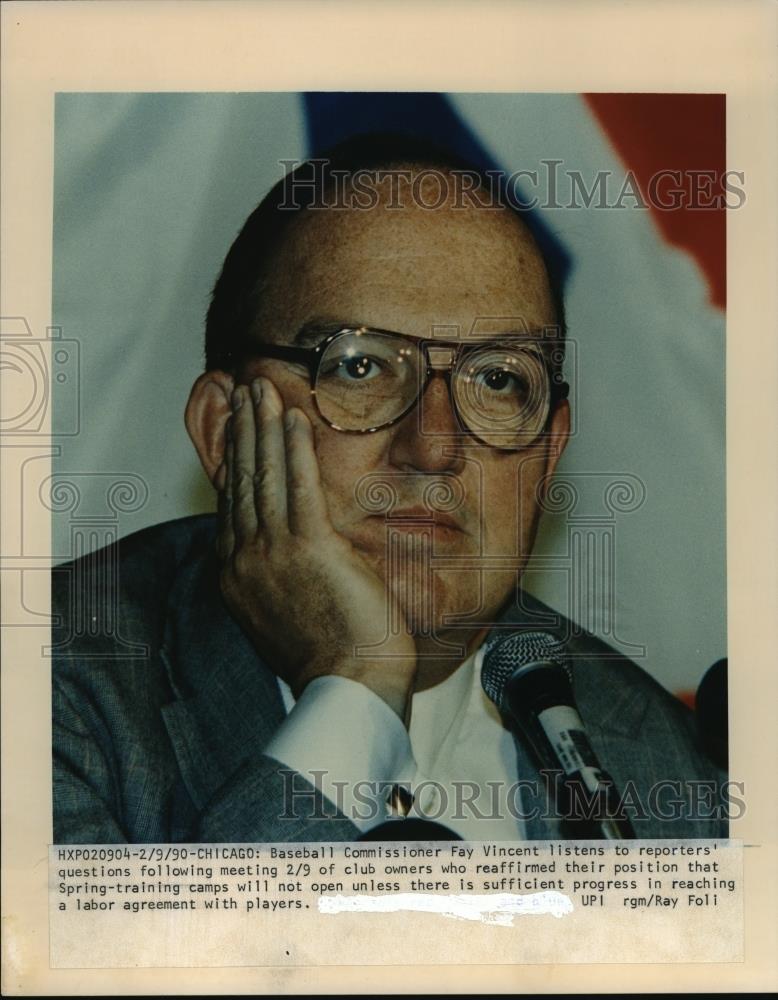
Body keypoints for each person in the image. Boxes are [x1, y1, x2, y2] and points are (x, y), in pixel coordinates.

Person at [52, 135, 728, 844]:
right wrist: (354, 687)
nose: (433, 448)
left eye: (499, 378)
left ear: (550, 450)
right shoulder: (51, 702)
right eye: (360, 367)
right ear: (224, 432)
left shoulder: (672, 775)